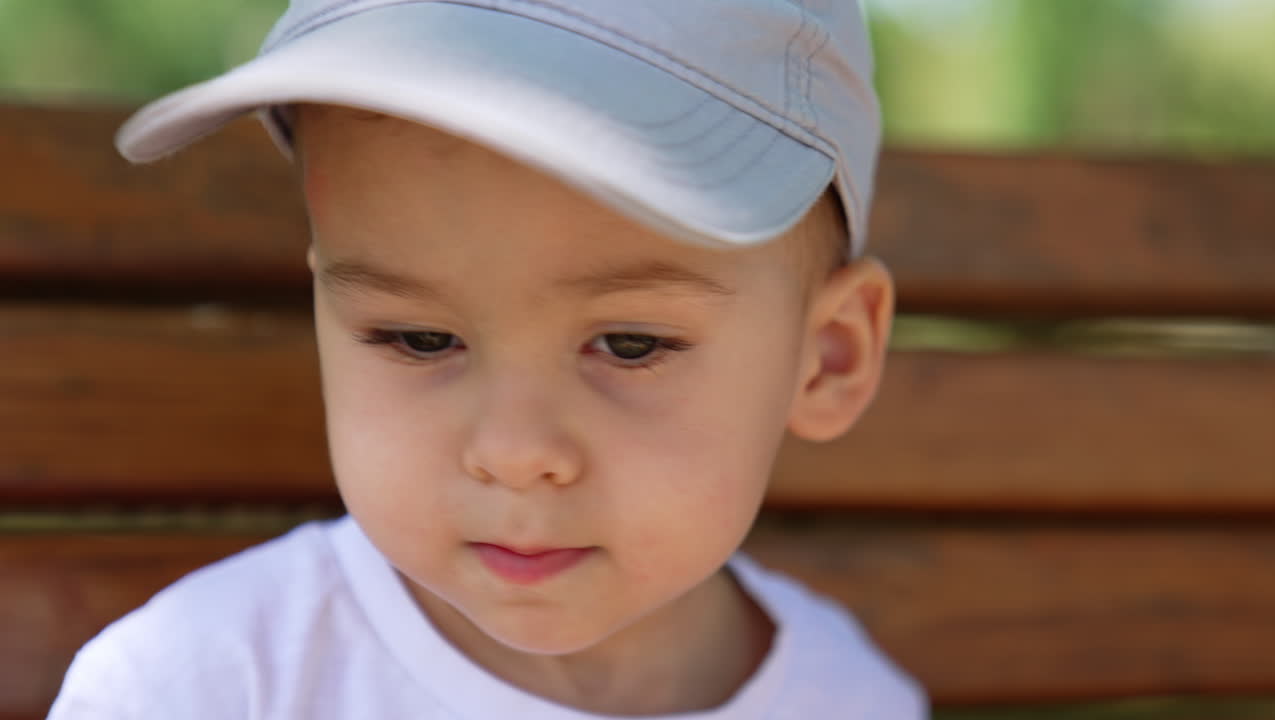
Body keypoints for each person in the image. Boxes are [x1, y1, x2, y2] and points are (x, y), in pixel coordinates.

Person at [49, 1, 926, 717]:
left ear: (826, 356)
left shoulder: (851, 700)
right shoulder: (202, 687)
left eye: (630, 345)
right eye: (419, 338)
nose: (513, 452)